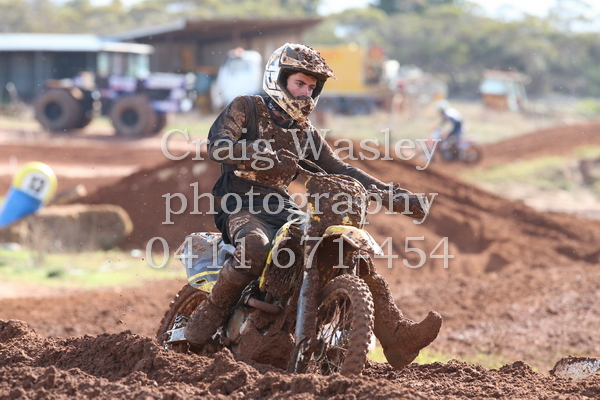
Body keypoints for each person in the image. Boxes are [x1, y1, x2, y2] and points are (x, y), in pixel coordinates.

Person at [184, 43, 442, 370]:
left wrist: (393, 195)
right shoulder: (246, 107)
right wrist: (259, 153)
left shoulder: (304, 132)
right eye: (299, 83)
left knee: (343, 253)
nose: (305, 92)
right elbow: (218, 147)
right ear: (278, 79)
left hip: (280, 205)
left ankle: (398, 336)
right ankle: (211, 312)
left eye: (311, 86)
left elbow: (340, 169)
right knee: (256, 247)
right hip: (239, 200)